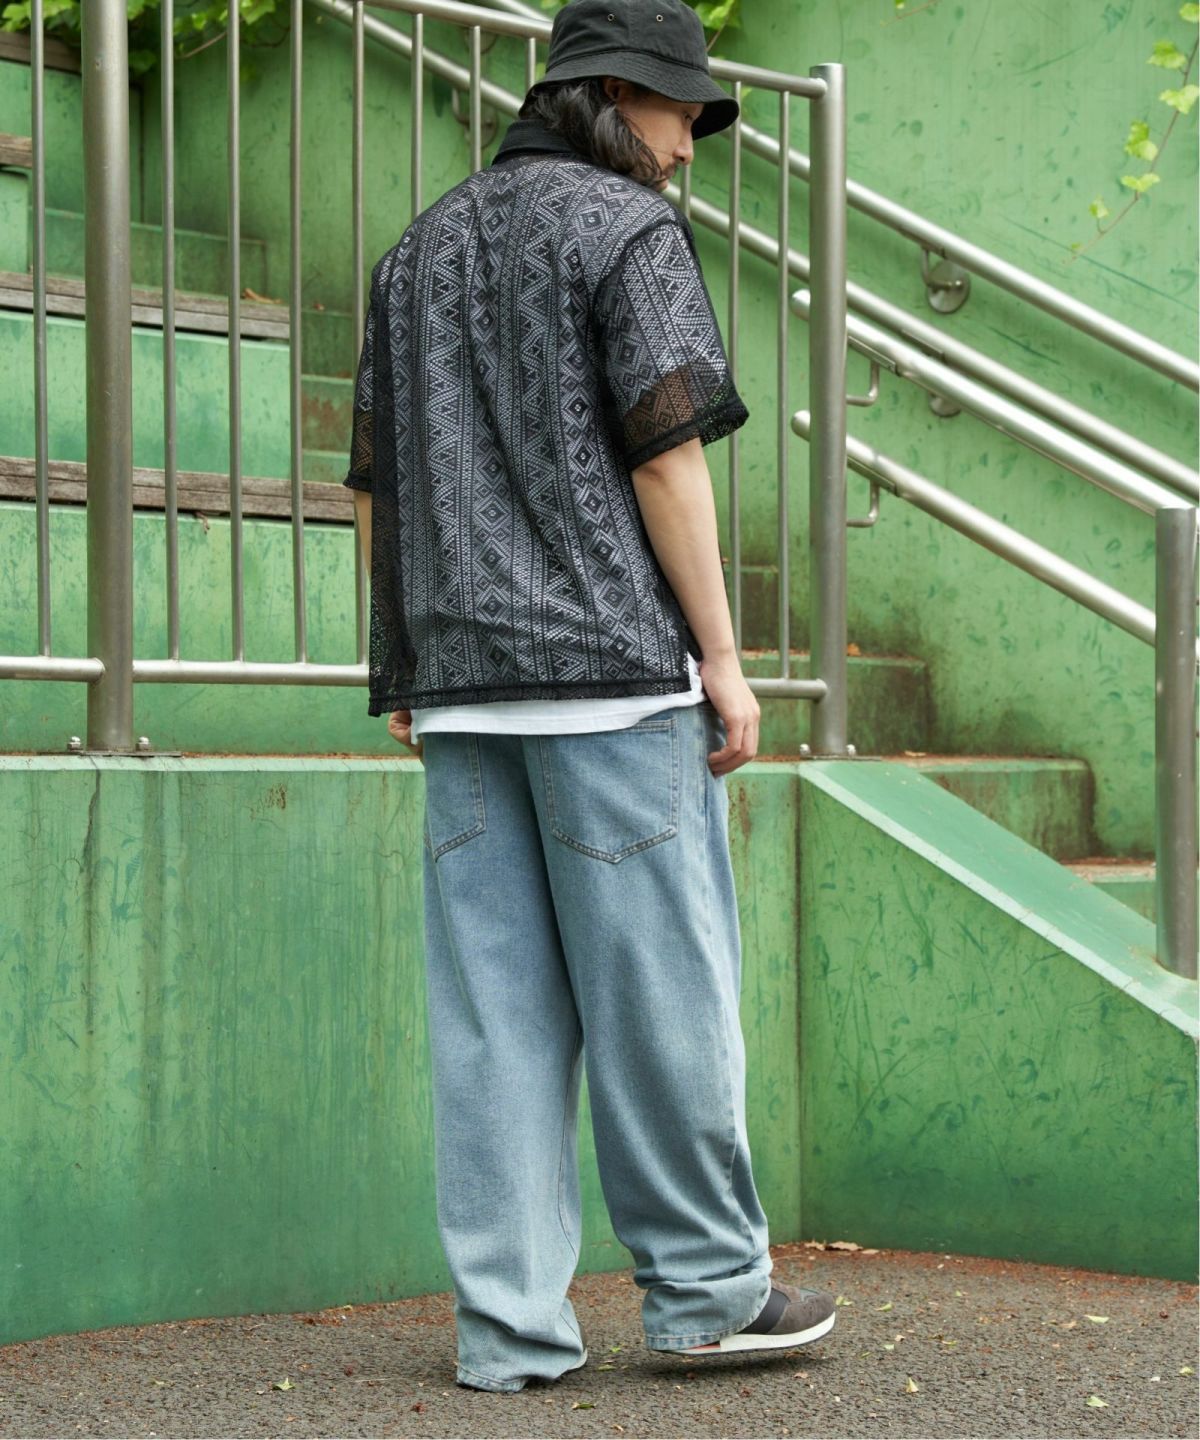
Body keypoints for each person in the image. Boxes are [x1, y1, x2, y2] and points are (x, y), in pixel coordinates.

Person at [343, 0, 836, 1394]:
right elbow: (666, 457)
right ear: (615, 96)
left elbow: (376, 479)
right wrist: (723, 660)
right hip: (613, 687)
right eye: (681, 113)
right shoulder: (628, 232)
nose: (689, 145)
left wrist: (401, 663)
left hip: (465, 691)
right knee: (662, 1000)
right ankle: (709, 1296)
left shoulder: (418, 248)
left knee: (492, 1024)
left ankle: (507, 1332)